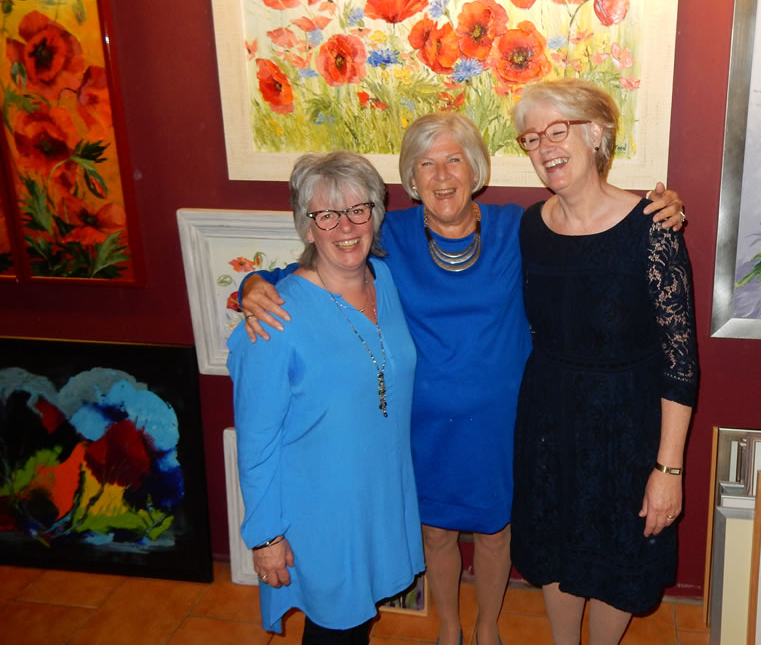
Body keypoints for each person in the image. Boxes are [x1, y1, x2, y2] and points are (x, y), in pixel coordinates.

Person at [240, 112, 684, 645]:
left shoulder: (519, 228)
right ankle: (449, 627)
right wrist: (254, 283)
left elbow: (589, 241)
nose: (442, 175)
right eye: (426, 164)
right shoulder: (388, 234)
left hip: (504, 421)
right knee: (436, 533)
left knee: (496, 533)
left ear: (475, 169)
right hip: (425, 425)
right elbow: (320, 259)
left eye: (454, 159)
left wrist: (657, 211)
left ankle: (486, 625)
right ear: (411, 178)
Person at [509, 78, 699, 645]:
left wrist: (668, 470)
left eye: (556, 131)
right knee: (556, 544)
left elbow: (681, 363)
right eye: (531, 138)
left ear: (595, 133)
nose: (544, 148)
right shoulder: (529, 227)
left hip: (627, 428)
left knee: (620, 552)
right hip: (549, 421)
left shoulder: (653, 226)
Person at [228, 151, 423, 645]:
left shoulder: (385, 280)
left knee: (356, 624)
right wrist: (266, 536)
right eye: (327, 215)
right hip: (319, 510)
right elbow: (256, 442)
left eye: (357, 209)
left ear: (375, 214)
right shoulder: (273, 319)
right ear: (307, 226)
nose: (345, 226)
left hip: (376, 495)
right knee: (336, 628)